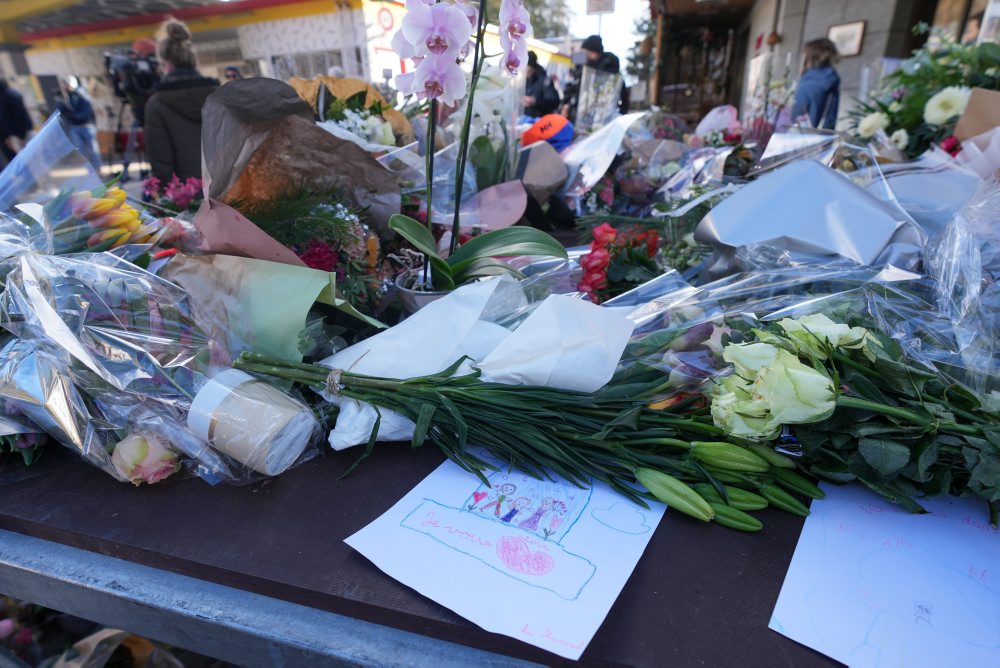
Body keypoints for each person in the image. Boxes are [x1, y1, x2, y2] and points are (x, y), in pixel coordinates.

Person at [144, 19, 219, 183]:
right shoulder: (220, 96)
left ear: (165, 63)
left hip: (186, 194)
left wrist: (165, 193)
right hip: (228, 191)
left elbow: (161, 162)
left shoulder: (157, 105)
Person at [791, 38, 840, 130]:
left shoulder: (809, 82)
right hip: (822, 134)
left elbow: (795, 115)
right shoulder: (830, 78)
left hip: (802, 135)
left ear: (810, 57)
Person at [56, 76, 102, 170]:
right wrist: (61, 104)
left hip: (86, 126)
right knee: (82, 151)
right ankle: (90, 169)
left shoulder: (81, 94)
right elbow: (62, 111)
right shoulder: (66, 97)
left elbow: (86, 111)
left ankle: (97, 168)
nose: (65, 87)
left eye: (67, 84)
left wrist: (74, 116)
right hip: (75, 127)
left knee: (92, 149)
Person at [0, 79, 33, 163]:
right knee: (32, 154)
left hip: (17, 134)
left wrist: (19, 136)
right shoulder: (14, 94)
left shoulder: (4, 99)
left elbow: (6, 119)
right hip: (26, 129)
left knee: (24, 158)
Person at [522, 51, 560, 118]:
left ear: (532, 66)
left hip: (541, 119)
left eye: (526, 66)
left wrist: (535, 101)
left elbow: (554, 102)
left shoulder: (544, 80)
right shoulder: (525, 79)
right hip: (525, 119)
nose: (524, 69)